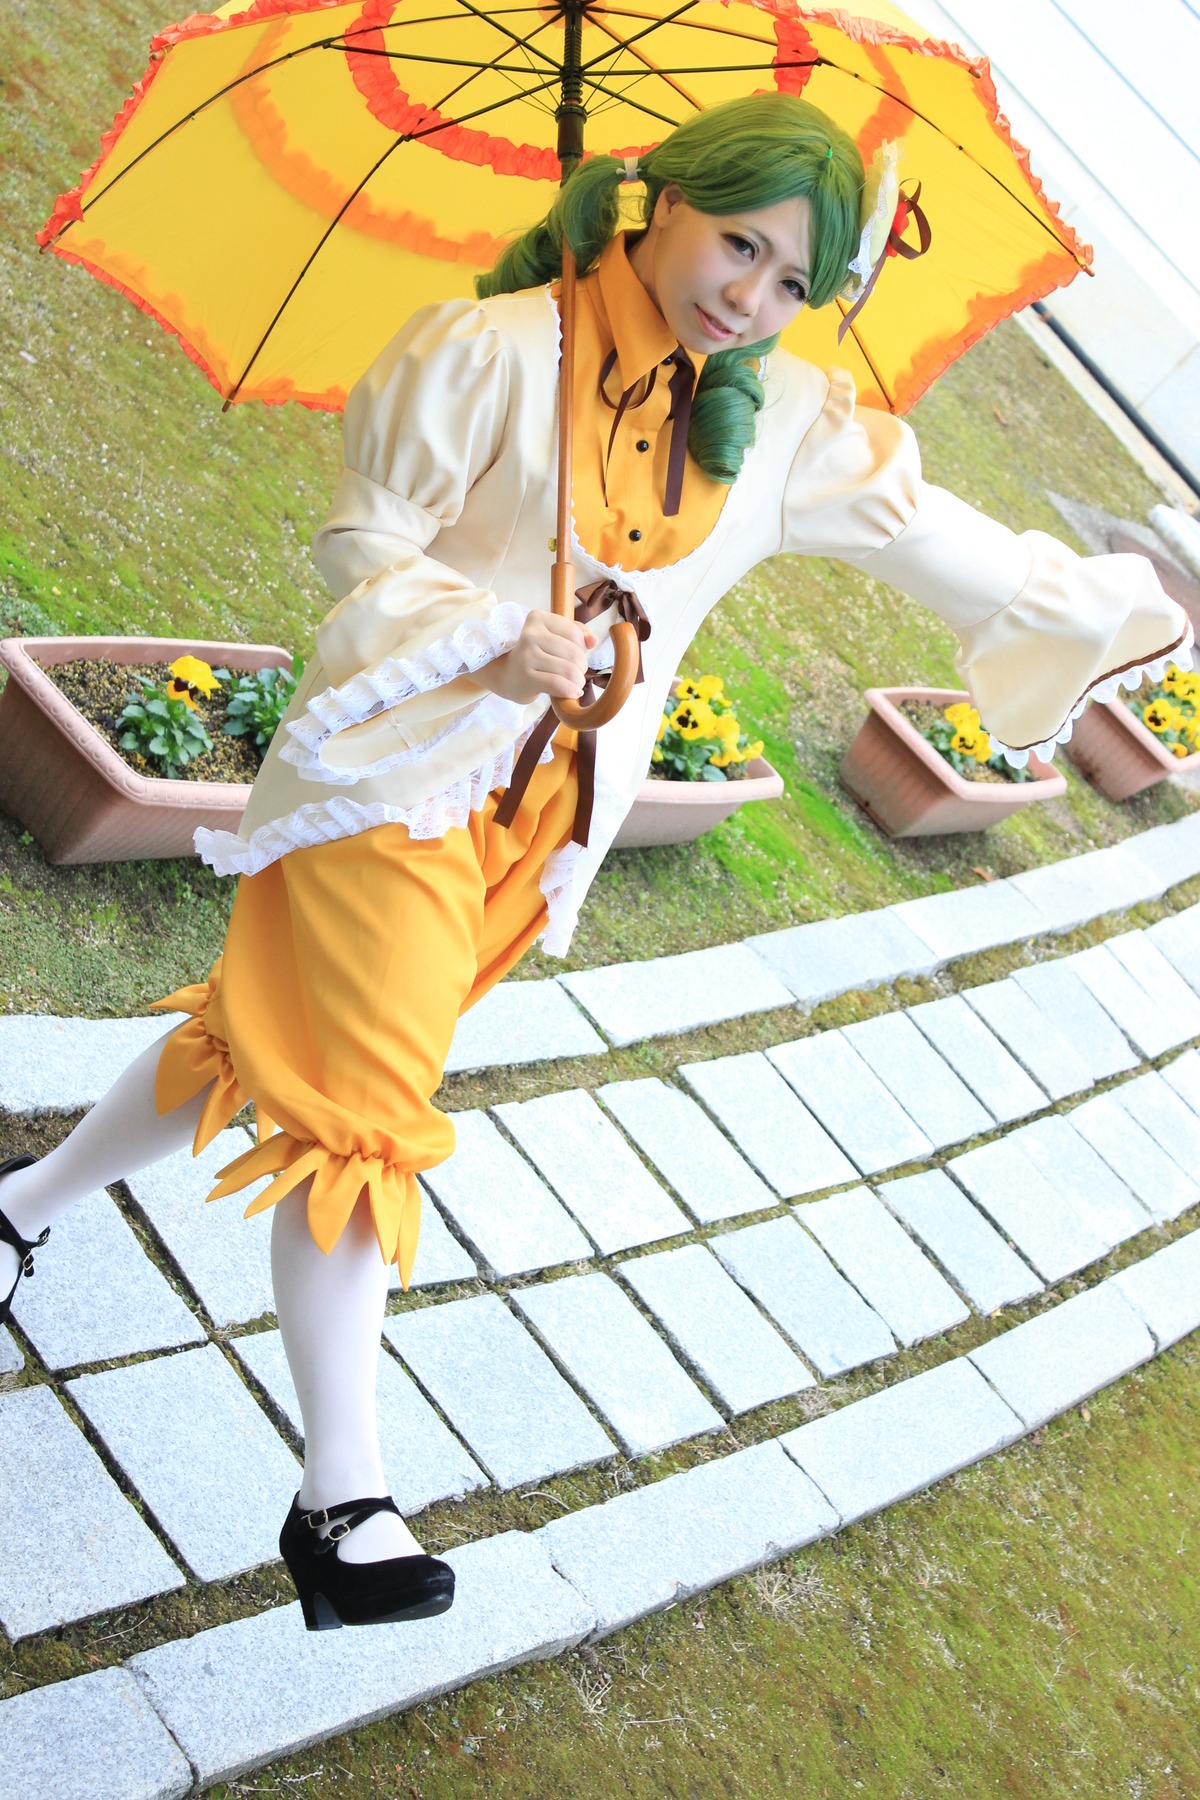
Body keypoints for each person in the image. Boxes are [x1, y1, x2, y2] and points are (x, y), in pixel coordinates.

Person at [0, 94, 1187, 1630]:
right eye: (736, 243)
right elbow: (368, 545)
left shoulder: (773, 433)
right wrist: (495, 638)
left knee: (261, 1037)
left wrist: (1119, 604)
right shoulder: (487, 351)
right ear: (663, 198)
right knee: (364, 1110)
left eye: (789, 280)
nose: (745, 296)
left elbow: (942, 543)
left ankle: (25, 1206)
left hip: (537, 826)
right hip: (395, 777)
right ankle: (338, 1497)